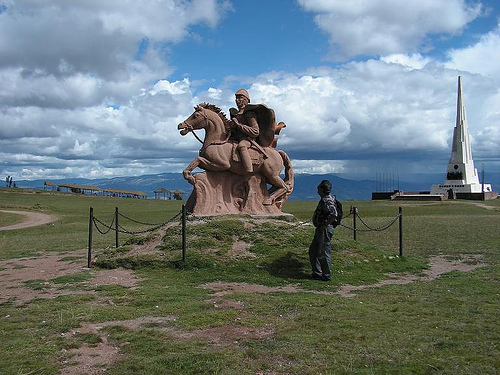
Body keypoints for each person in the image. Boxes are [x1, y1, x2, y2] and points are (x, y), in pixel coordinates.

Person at [309, 180, 338, 281]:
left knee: (324, 252)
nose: (317, 191)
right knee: (314, 250)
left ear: (322, 189)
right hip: (321, 228)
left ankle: (326, 275)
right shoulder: (325, 199)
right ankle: (317, 272)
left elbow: (334, 214)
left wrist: (325, 225)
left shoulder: (327, 200)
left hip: (324, 229)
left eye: (318, 189)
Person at [229, 89, 260, 173]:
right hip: (235, 138)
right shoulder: (235, 114)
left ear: (246, 100)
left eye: (240, 98)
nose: (237, 100)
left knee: (241, 146)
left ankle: (249, 169)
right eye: (236, 98)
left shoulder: (249, 114)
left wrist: (239, 125)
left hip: (247, 139)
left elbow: (255, 131)